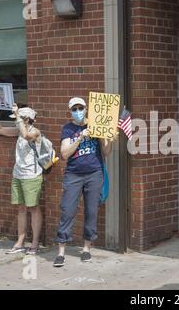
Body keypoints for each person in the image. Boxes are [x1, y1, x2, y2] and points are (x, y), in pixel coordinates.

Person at [53, 97, 113, 267]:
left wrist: (104, 137)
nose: (78, 111)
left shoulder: (97, 124)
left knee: (91, 211)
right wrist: (79, 138)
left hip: (94, 173)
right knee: (67, 210)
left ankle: (86, 248)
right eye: (74, 109)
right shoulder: (68, 129)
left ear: (86, 109)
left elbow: (107, 152)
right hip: (73, 174)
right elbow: (64, 154)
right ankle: (61, 251)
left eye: (81, 108)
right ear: (70, 111)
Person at [0, 104, 43, 255]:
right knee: (21, 208)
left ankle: (35, 242)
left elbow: (27, 136)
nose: (16, 122)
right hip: (18, 174)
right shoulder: (18, 131)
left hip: (31, 176)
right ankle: (20, 241)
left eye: (19, 119)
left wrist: (18, 116)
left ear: (27, 119)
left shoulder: (35, 132)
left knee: (33, 208)